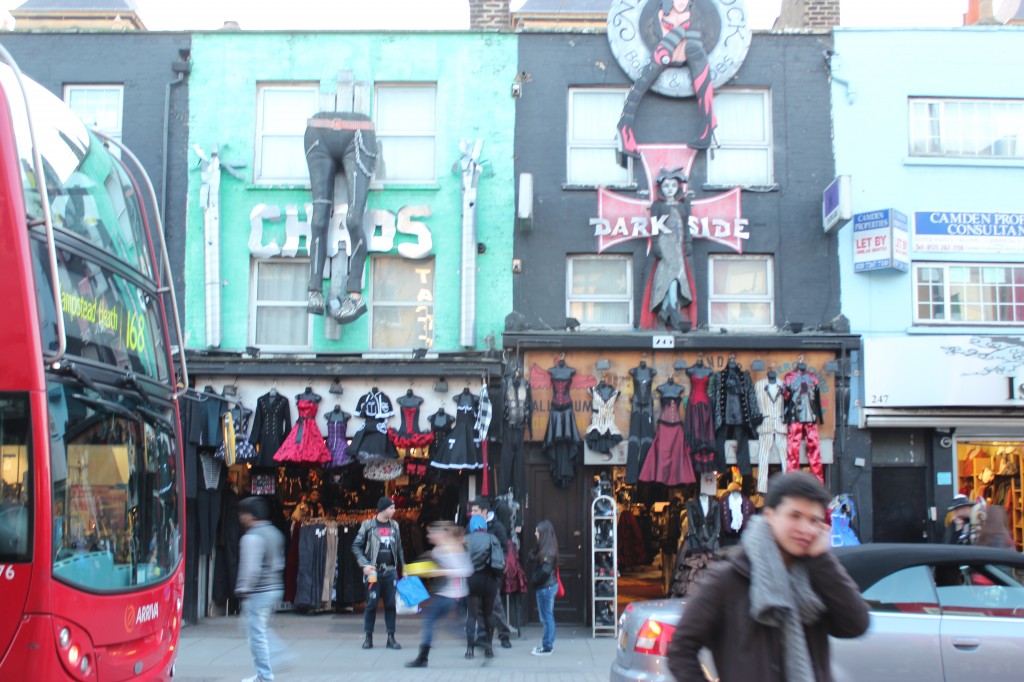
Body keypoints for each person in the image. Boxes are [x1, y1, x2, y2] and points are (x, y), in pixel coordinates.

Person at [666, 471, 870, 682]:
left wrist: (822, 559)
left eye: (814, 521)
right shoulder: (729, 579)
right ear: (771, 515)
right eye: (795, 516)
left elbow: (856, 624)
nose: (804, 529)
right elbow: (681, 649)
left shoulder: (817, 575)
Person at [405, 521, 473, 668]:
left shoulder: (451, 549)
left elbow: (465, 570)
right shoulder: (439, 550)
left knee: (430, 621)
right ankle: (480, 642)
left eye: (432, 532)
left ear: (442, 534)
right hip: (449, 595)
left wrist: (442, 571)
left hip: (450, 595)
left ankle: (422, 658)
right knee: (448, 626)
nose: (429, 535)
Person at [236, 496, 288, 682]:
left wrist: (243, 588)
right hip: (274, 587)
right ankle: (276, 656)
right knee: (257, 628)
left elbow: (251, 568)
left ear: (250, 515)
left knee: (256, 633)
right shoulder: (274, 532)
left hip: (259, 591)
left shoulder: (251, 537)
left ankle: (265, 674)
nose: (242, 518)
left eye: (243, 514)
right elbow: (278, 563)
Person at [352, 496, 406, 650]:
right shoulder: (368, 525)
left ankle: (391, 637)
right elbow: (356, 545)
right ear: (383, 509)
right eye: (391, 508)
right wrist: (364, 564)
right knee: (371, 604)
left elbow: (399, 548)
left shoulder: (395, 525)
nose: (394, 511)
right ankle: (368, 637)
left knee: (390, 605)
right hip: (373, 571)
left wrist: (404, 568)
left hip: (390, 571)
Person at [469, 497, 514, 648]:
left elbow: (504, 548)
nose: (472, 513)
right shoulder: (472, 526)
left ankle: (504, 635)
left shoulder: (497, 526)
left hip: (491, 571)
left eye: (475, 511)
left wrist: (498, 564)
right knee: (480, 606)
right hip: (476, 570)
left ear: (484, 511)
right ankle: (483, 634)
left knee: (495, 605)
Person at [464, 514, 505, 659]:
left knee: (472, 615)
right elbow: (500, 559)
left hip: (472, 579)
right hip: (489, 580)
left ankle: (470, 650)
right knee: (488, 614)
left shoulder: (466, 540)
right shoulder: (492, 538)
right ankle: (489, 649)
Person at [529, 519, 559, 656]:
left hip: (545, 587)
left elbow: (545, 571)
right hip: (547, 586)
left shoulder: (547, 552)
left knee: (546, 617)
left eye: (537, 531)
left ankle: (547, 646)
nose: (535, 533)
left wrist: (535, 581)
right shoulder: (547, 548)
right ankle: (547, 644)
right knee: (547, 616)